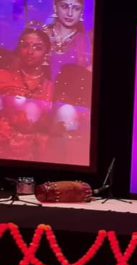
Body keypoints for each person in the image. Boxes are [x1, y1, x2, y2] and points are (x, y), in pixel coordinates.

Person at [0, 28, 54, 160]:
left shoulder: (51, 87)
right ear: (19, 49)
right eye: (25, 46)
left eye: (37, 47)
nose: (30, 52)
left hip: (37, 158)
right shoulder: (3, 76)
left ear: (46, 53)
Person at [42, 0, 93, 80]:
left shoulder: (87, 42)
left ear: (81, 12)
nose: (70, 13)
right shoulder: (41, 36)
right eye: (64, 6)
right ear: (55, 7)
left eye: (76, 8)